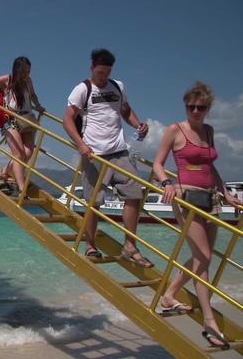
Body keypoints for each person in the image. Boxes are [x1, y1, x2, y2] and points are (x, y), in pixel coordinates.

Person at [152, 82, 240, 349]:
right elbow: (158, 163)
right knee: (204, 257)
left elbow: (211, 168)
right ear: (185, 105)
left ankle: (169, 294)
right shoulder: (175, 130)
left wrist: (226, 193)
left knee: (204, 257)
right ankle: (209, 321)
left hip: (211, 197)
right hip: (186, 197)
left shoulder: (210, 131)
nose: (195, 111)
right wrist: (167, 183)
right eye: (191, 106)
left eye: (201, 107)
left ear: (208, 108)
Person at [62, 48, 152, 265]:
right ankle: (90, 245)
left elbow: (126, 110)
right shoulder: (82, 89)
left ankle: (130, 245)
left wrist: (138, 125)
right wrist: (81, 145)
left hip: (119, 150)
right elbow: (67, 120)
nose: (103, 77)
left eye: (107, 73)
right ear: (92, 67)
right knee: (94, 202)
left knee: (134, 194)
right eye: (100, 73)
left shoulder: (118, 86)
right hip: (94, 154)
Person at [0, 57, 45, 192]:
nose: (26, 74)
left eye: (28, 71)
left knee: (28, 153)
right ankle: (22, 187)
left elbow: (33, 95)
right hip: (11, 119)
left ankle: (4, 171)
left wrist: (38, 105)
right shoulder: (8, 79)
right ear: (17, 70)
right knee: (19, 154)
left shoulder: (28, 81)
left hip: (27, 118)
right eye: (23, 71)